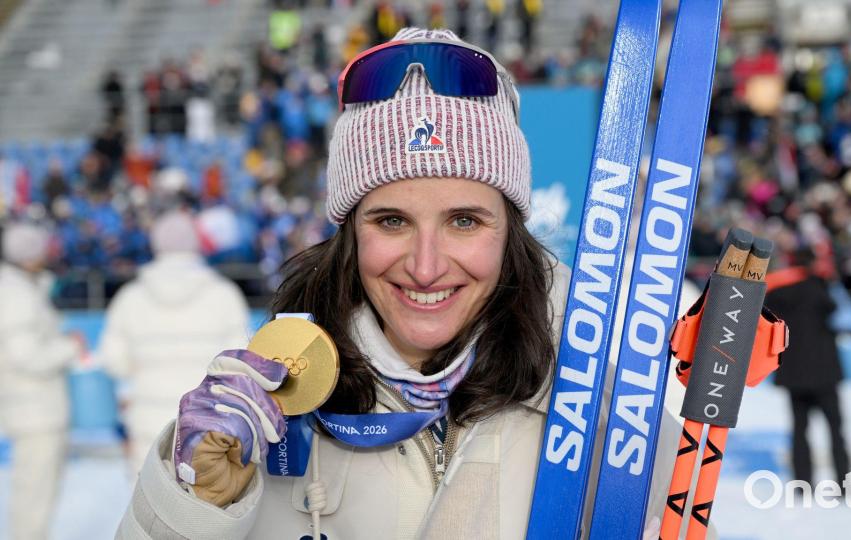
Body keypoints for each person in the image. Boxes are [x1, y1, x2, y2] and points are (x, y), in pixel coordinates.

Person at [116, 28, 706, 539]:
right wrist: (192, 510)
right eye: (391, 220)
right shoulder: (270, 419)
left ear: (510, 232)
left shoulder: (608, 420)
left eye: (464, 221)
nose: (425, 267)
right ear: (350, 232)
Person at [99, 210, 251, 476]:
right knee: (205, 508)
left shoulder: (130, 297)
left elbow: (114, 361)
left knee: (147, 507)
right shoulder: (224, 294)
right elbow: (240, 362)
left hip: (147, 419)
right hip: (208, 420)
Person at [0, 222, 82, 540]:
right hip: (34, 409)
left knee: (35, 496)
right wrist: (70, 347)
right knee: (33, 498)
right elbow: (26, 355)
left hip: (33, 407)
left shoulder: (22, 287)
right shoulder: (17, 293)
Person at [765, 247, 851, 490]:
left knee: (799, 430)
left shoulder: (777, 292)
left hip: (794, 374)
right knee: (836, 430)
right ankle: (845, 484)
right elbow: (842, 315)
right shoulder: (822, 288)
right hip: (825, 373)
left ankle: (803, 483)